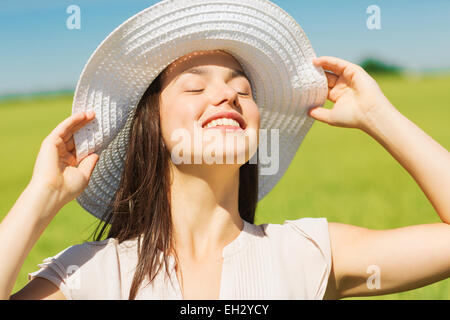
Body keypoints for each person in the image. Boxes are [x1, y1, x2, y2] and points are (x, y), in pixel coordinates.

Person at [2, 1, 450, 300]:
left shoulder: (307, 252)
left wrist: (379, 115)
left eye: (242, 90)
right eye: (195, 87)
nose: (227, 97)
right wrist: (41, 196)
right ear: (151, 129)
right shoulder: (94, 275)